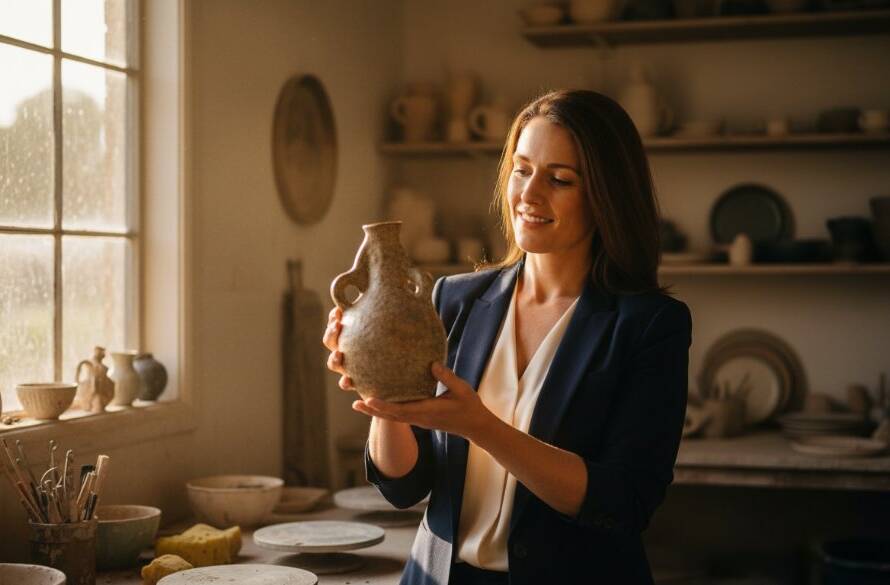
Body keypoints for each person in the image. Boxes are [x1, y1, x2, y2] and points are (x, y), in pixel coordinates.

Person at [323, 89, 692, 585]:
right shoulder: (452, 300)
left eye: (559, 179)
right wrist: (381, 392)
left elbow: (623, 502)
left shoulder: (650, 325)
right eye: (521, 170)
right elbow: (404, 485)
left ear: (607, 195)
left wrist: (481, 426)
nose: (529, 194)